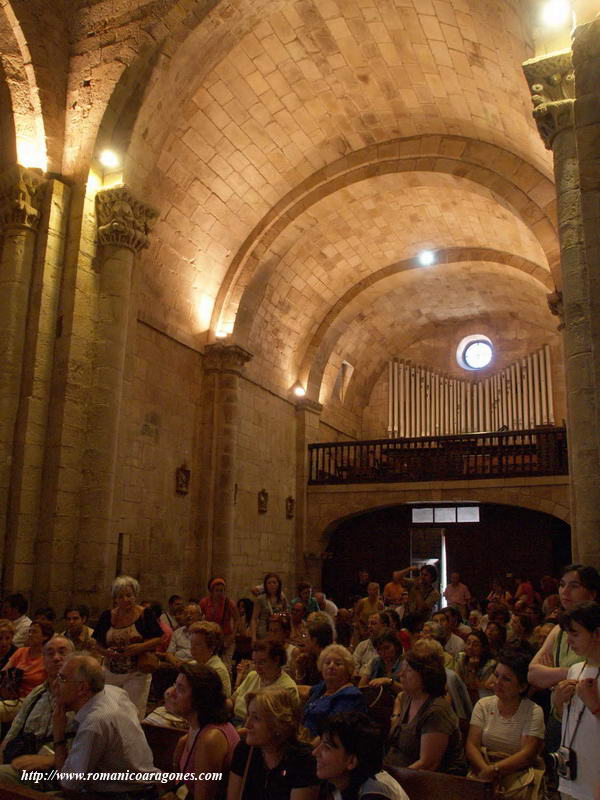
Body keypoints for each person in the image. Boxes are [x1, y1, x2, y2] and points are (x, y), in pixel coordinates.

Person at [52, 654, 161, 794]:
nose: (55, 684)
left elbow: (69, 784)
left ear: (82, 688)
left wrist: (58, 735)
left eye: (62, 678)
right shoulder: (114, 691)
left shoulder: (95, 722)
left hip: (124, 795)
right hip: (144, 785)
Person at [466, 650, 544, 798]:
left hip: (517, 774)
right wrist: (485, 772)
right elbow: (472, 745)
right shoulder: (483, 704)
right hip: (483, 766)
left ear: (521, 687)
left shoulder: (533, 711)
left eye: (506, 679)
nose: (497, 682)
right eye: (496, 675)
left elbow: (526, 755)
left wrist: (494, 771)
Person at [0, 635, 75, 788]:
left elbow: (88, 750)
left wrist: (51, 760)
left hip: (58, 768)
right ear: (43, 660)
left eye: (62, 652)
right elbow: (14, 730)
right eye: (50, 653)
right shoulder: (38, 693)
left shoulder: (80, 694)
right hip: (23, 756)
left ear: (74, 657)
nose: (56, 658)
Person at [227, 686, 319, 800]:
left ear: (278, 725)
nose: (247, 724)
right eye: (248, 715)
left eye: (256, 718)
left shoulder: (303, 761)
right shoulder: (244, 751)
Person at [165, 663, 240, 800]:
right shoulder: (197, 725)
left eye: (180, 689)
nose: (171, 692)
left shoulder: (210, 739)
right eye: (174, 685)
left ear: (200, 700)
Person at [93, 574, 163, 719]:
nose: (126, 599)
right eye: (121, 596)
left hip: (136, 672)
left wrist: (140, 647)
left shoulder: (145, 614)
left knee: (132, 713)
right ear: (115, 599)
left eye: (129, 595)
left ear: (135, 595)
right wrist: (107, 652)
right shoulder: (107, 616)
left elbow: (159, 638)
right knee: (110, 711)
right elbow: (97, 643)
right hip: (111, 672)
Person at [386, 648, 465, 774]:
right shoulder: (408, 697)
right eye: (402, 669)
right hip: (399, 772)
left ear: (425, 676)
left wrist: (392, 780)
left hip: (428, 782)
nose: (401, 674)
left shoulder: (436, 711)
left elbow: (428, 764)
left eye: (409, 670)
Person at [552, 602, 600, 800]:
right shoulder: (575, 669)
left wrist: (595, 706)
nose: (569, 641)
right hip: (571, 773)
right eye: (567, 634)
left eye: (575, 634)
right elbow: (567, 720)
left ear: (596, 633)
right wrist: (558, 703)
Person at [314, 712, 409, 800]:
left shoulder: (375, 793)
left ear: (351, 762)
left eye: (327, 747)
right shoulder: (334, 782)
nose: (315, 752)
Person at [302, 644, 367, 737]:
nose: (331, 666)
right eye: (327, 663)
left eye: (338, 664)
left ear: (348, 669)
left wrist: (304, 749)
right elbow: (305, 690)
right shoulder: (323, 687)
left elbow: (331, 733)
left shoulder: (351, 696)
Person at [231, 639, 298, 727]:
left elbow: (276, 727)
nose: (257, 668)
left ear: (276, 660)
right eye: (255, 662)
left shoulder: (287, 688)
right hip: (234, 722)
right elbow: (232, 700)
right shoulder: (252, 676)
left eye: (262, 662)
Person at [0, 620, 53, 723]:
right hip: (11, 695)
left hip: (30, 700)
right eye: (29, 631)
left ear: (45, 637)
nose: (30, 634)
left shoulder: (48, 658)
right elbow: (3, 672)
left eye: (34, 632)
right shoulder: (21, 651)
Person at [200, 578, 240, 666]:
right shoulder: (204, 603)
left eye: (222, 590)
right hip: (210, 637)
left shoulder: (229, 603)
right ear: (212, 591)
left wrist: (233, 636)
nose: (220, 593)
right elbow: (199, 617)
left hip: (226, 637)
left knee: (226, 664)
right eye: (217, 590)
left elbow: (237, 619)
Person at [189, 621, 231, 697]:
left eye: (197, 644)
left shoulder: (218, 670)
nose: (192, 648)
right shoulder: (192, 664)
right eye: (191, 643)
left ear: (211, 647)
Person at [454, 630, 496, 705]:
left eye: (475, 645)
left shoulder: (490, 664)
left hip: (481, 698)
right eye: (468, 643)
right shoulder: (461, 657)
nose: (470, 647)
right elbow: (457, 681)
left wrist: (472, 669)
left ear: (483, 648)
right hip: (462, 695)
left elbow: (474, 687)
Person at [293, 620, 334, 687]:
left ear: (314, 640)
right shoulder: (309, 659)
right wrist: (300, 669)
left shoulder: (330, 663)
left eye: (306, 637)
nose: (303, 640)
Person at [251, 573, 288, 641]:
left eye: (274, 582)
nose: (272, 585)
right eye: (269, 583)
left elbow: (286, 613)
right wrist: (253, 637)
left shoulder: (282, 598)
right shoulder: (260, 599)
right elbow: (254, 619)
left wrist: (280, 615)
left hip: (278, 631)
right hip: (264, 631)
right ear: (265, 585)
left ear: (278, 584)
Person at [165, 602, 203, 667]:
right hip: (176, 665)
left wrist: (184, 664)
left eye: (192, 613)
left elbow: (203, 657)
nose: (188, 616)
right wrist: (177, 663)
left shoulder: (203, 633)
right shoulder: (177, 632)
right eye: (185, 614)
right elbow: (169, 653)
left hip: (195, 667)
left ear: (199, 616)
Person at [353, 612, 390, 678]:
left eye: (373, 624)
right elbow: (354, 663)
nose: (369, 626)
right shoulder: (362, 645)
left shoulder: (391, 646)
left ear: (384, 625)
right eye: (369, 624)